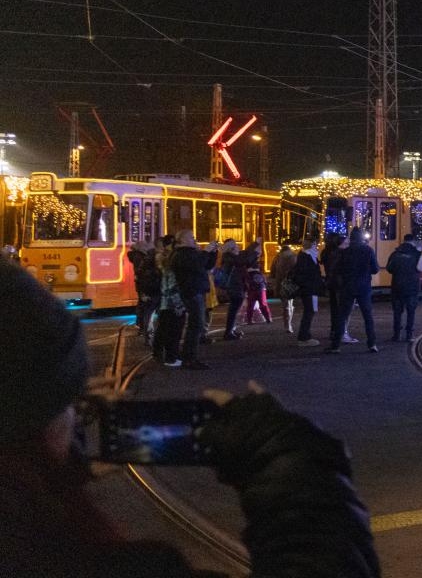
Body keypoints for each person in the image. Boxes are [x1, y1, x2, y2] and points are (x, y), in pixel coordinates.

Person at [0, 258, 381, 577]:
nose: (75, 415)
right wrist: (289, 463)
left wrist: (55, 471)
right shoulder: (84, 562)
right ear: (33, 425)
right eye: (67, 402)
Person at [169, 230, 218, 369]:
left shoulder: (190, 253)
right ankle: (190, 358)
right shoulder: (182, 254)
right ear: (183, 240)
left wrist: (213, 252)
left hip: (196, 291)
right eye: (191, 237)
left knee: (196, 325)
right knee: (195, 326)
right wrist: (206, 251)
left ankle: (189, 356)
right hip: (191, 292)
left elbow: (206, 265)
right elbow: (197, 264)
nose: (194, 239)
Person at [328, 227, 379, 353]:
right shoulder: (368, 250)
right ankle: (372, 344)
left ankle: (335, 345)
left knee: (342, 316)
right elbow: (375, 269)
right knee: (368, 316)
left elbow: (337, 268)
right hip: (364, 286)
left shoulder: (345, 252)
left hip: (348, 286)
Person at [151, 234, 185, 367]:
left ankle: (161, 353)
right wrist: (178, 304)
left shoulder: (164, 258)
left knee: (164, 329)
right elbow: (171, 284)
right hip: (170, 301)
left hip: (165, 300)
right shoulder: (168, 260)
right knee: (172, 330)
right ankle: (171, 357)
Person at [386, 233, 421, 342]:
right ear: (413, 241)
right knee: (411, 312)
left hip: (397, 286)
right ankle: (409, 335)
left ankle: (396, 335)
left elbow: (389, 268)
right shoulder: (417, 254)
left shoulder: (395, 253)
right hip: (412, 286)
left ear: (403, 241)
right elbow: (421, 268)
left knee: (397, 312)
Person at [127, 240, 160, 343]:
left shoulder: (139, 257)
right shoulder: (143, 258)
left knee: (144, 308)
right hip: (149, 287)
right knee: (148, 310)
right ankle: (146, 332)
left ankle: (143, 329)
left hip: (143, 286)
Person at [291, 238, 322, 347]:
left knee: (310, 311)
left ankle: (305, 335)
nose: (316, 246)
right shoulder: (306, 256)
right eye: (315, 244)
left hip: (309, 288)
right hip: (309, 289)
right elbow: (305, 274)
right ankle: (304, 337)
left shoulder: (306, 255)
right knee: (309, 312)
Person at [219, 239, 246, 341]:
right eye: (235, 246)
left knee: (234, 309)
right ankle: (229, 332)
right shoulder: (230, 258)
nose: (237, 247)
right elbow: (241, 262)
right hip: (234, 285)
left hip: (235, 285)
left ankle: (231, 330)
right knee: (233, 310)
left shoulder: (229, 257)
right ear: (231, 248)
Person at [270, 241, 298, 333]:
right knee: (290, 304)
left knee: (285, 305)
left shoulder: (277, 257)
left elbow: (272, 272)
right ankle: (288, 324)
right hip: (290, 283)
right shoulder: (294, 256)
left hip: (280, 283)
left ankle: (287, 324)